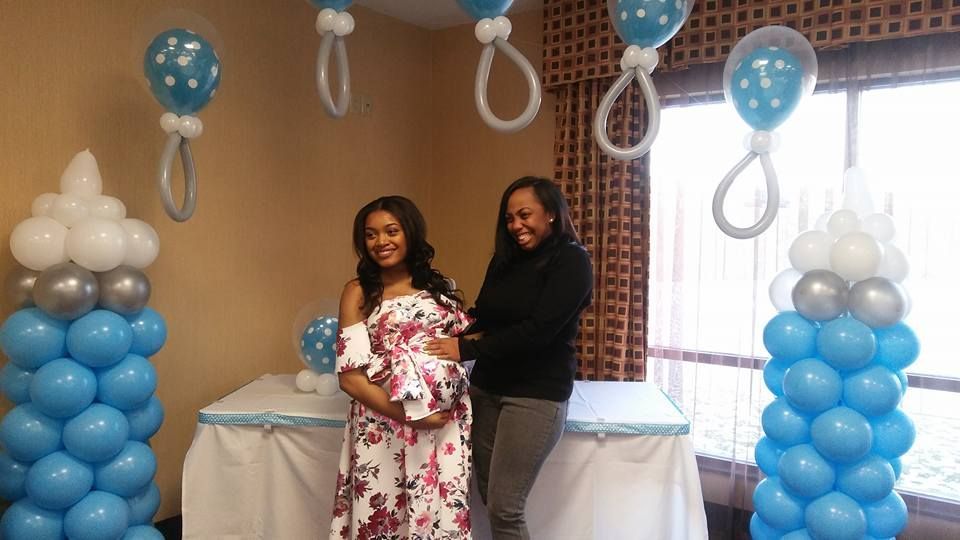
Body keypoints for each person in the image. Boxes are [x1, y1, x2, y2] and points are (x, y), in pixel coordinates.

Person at [425, 177, 593, 539]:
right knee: (487, 493)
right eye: (509, 218)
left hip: (535, 395)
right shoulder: (504, 262)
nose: (516, 225)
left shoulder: (572, 261)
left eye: (524, 214)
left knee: (506, 507)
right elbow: (482, 316)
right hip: (487, 388)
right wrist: (438, 329)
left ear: (550, 213)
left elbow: (539, 331)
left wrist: (465, 349)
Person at [331, 195, 473, 540]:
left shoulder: (439, 287)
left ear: (410, 233)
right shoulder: (359, 292)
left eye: (391, 231)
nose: (381, 242)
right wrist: (408, 415)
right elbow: (350, 378)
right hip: (384, 421)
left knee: (444, 514)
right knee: (385, 517)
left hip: (444, 426)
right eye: (371, 234)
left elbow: (463, 347)